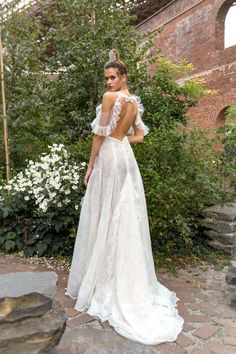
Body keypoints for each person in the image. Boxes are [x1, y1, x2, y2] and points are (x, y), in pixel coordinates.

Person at [65, 49, 184, 345]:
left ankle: (105, 280)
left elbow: (98, 134)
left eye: (112, 77)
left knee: (106, 211)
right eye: (105, 78)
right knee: (122, 213)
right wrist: (121, 141)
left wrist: (90, 165)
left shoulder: (111, 100)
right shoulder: (133, 101)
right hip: (126, 158)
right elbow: (140, 135)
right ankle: (125, 279)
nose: (107, 82)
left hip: (109, 157)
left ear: (122, 77)